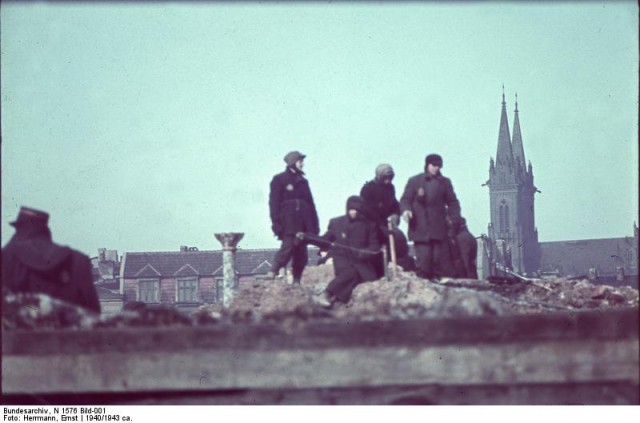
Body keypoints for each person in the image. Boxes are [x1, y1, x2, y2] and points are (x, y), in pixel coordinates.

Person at [2, 206, 101, 313]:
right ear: (45, 229)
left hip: (20, 327)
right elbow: (93, 310)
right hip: (68, 327)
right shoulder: (78, 260)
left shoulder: (6, 256)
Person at [399, 154, 462, 279]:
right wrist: (406, 211)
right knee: (424, 261)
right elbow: (405, 199)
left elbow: (453, 202)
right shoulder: (415, 181)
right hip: (419, 228)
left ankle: (435, 290)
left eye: (438, 166)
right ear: (427, 165)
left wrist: (454, 219)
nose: (436, 168)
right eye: (433, 165)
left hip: (438, 229)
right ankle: (423, 290)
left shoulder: (444, 183)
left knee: (437, 261)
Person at [311, 196, 381, 308]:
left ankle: (333, 299)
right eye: (351, 210)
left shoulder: (369, 225)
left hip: (361, 261)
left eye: (357, 210)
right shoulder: (336, 223)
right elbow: (324, 240)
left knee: (360, 274)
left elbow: (374, 245)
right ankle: (326, 293)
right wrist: (308, 238)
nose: (353, 212)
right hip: (342, 260)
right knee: (352, 273)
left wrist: (364, 252)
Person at [267, 151, 320, 284]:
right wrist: (276, 223)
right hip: (288, 222)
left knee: (301, 253)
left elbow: (311, 204)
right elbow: (274, 203)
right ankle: (273, 271)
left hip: (304, 222)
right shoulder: (279, 179)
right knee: (288, 246)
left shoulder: (303, 182)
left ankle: (297, 280)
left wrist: (314, 225)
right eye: (300, 161)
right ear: (293, 162)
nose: (302, 164)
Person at [360, 164, 414, 276]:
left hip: (384, 224)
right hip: (371, 224)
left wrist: (395, 214)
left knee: (396, 239)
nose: (388, 180)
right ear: (379, 176)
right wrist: (380, 226)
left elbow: (394, 204)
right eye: (385, 178)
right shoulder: (368, 189)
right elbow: (368, 211)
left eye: (390, 177)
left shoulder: (390, 188)